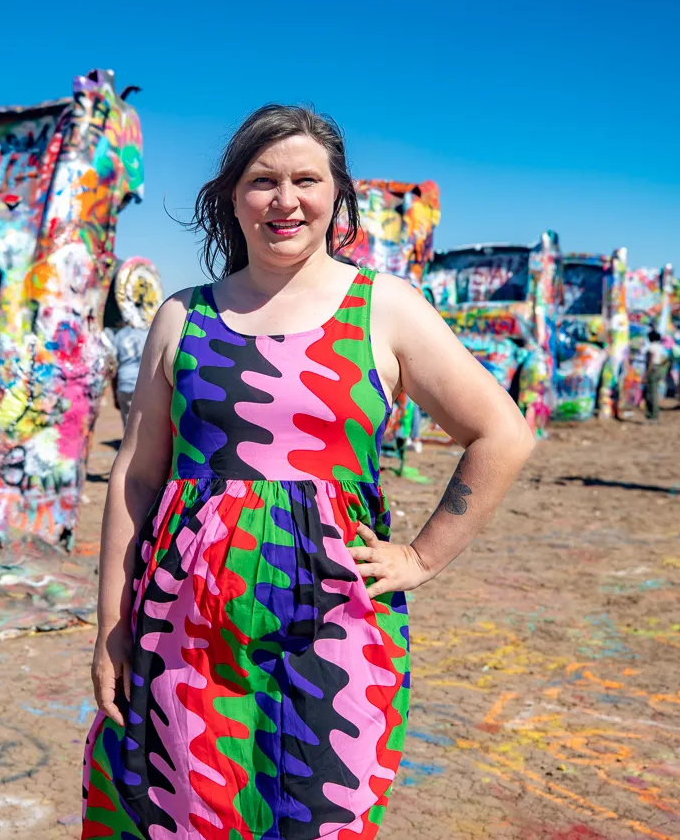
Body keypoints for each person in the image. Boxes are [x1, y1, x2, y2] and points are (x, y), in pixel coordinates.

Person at [81, 105, 534, 838]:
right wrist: (110, 626)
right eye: (262, 180)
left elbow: (502, 434)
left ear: (336, 195)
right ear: (231, 197)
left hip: (333, 629)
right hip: (184, 635)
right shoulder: (181, 317)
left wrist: (421, 557)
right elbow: (135, 479)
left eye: (305, 179)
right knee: (181, 814)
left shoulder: (382, 309)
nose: (284, 200)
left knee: (323, 815)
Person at [109, 323, 147, 422]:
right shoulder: (146, 333)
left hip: (124, 382)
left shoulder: (118, 336)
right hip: (143, 383)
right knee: (145, 421)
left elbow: (113, 366)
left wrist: (115, 394)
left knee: (128, 422)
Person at [642, 329, 668, 421]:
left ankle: (652, 415)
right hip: (658, 368)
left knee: (651, 393)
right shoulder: (660, 347)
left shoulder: (651, 347)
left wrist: (646, 374)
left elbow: (650, 361)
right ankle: (655, 414)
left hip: (652, 370)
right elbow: (665, 359)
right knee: (654, 392)